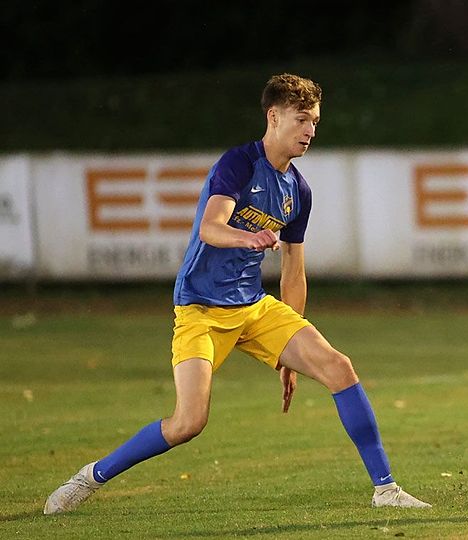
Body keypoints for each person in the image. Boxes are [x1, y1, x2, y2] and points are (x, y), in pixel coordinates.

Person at [44, 73, 431, 514]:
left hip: (254, 307)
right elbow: (210, 227)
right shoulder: (239, 164)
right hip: (201, 309)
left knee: (338, 368)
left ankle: (386, 490)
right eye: (302, 119)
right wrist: (248, 237)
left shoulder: (298, 191)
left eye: (315, 122)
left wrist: (290, 356)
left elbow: (293, 270)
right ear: (274, 117)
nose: (310, 130)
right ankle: (90, 477)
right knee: (188, 422)